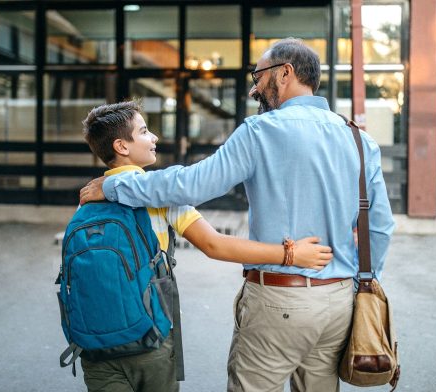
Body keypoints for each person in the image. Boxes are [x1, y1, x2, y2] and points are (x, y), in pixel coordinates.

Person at [80, 38, 395, 392]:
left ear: (285, 73)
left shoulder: (261, 131)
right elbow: (380, 227)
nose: (254, 87)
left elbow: (193, 185)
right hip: (339, 301)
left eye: (258, 76)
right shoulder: (359, 140)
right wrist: (356, 287)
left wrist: (113, 187)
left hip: (281, 303)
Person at [78, 100, 334, 392]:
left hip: (94, 342)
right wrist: (290, 254)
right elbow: (214, 245)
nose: (155, 138)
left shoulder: (90, 197)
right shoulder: (159, 194)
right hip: (149, 334)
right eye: (145, 131)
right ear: (122, 146)